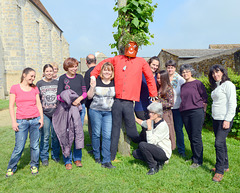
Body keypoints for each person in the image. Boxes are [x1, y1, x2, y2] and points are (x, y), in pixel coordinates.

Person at [91, 41, 158, 161]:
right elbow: (101, 64)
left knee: (131, 128)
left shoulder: (141, 61)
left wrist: (153, 93)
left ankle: (142, 146)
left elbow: (149, 77)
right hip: (116, 101)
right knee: (115, 130)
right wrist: (93, 74)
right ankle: (111, 156)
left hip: (128, 102)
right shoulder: (117, 59)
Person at [6, 67, 43, 177]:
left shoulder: (35, 88)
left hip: (35, 120)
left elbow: (38, 104)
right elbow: (11, 106)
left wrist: (41, 118)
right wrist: (14, 122)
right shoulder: (15, 88)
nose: (33, 78)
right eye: (31, 76)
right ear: (24, 75)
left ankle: (34, 165)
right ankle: (11, 167)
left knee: (35, 146)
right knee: (19, 147)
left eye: (34, 76)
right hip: (21, 121)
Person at [55, 57, 86, 170]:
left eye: (76, 66)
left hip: (79, 108)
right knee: (67, 133)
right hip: (66, 108)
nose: (74, 68)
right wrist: (69, 101)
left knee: (78, 132)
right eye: (72, 66)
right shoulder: (62, 78)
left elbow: (85, 93)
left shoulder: (80, 77)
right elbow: (58, 95)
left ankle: (77, 158)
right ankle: (67, 159)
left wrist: (78, 100)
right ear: (67, 67)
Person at [208, 64, 236, 182]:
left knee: (218, 143)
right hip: (216, 118)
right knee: (222, 143)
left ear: (223, 72)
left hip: (225, 119)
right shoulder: (217, 86)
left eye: (217, 72)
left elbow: (232, 103)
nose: (215, 75)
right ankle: (225, 166)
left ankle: (219, 171)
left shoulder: (228, 85)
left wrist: (227, 119)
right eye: (213, 73)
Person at [88, 62, 116, 169]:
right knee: (96, 134)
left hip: (108, 112)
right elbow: (89, 96)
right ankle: (96, 156)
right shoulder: (97, 81)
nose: (107, 72)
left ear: (112, 72)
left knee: (107, 135)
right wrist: (92, 87)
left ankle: (106, 160)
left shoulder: (114, 82)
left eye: (109, 70)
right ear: (101, 71)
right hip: (95, 111)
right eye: (105, 70)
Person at [179, 64, 208, 168]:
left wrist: (202, 111)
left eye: (187, 71)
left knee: (196, 136)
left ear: (191, 72)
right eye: (183, 72)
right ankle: (194, 156)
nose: (185, 73)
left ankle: (198, 160)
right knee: (191, 136)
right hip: (185, 112)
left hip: (196, 112)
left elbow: (205, 98)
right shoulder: (183, 86)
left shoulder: (197, 83)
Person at [133, 102, 172, 175]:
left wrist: (149, 129)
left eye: (152, 113)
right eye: (149, 112)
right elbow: (142, 123)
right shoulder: (152, 121)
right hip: (154, 149)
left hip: (163, 152)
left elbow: (151, 142)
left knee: (142, 145)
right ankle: (158, 162)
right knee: (135, 153)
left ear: (158, 114)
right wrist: (134, 118)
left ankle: (153, 167)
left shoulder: (162, 126)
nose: (149, 114)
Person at [36, 64, 60, 166]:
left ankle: (55, 155)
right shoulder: (39, 83)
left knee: (55, 135)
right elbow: (37, 99)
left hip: (56, 113)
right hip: (45, 113)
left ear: (53, 72)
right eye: (47, 71)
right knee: (45, 136)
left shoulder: (58, 83)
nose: (49, 73)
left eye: (51, 71)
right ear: (44, 72)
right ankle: (44, 156)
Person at [134, 56, 160, 142]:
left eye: (157, 65)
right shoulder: (141, 75)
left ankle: (140, 142)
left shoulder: (157, 77)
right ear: (149, 64)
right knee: (146, 126)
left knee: (150, 127)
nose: (155, 67)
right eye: (153, 64)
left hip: (153, 107)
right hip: (141, 106)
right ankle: (143, 145)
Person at [166, 60, 186, 157]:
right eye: (168, 67)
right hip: (166, 108)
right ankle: (169, 147)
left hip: (177, 107)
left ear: (175, 68)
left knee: (178, 129)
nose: (170, 69)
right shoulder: (164, 78)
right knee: (167, 128)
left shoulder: (180, 79)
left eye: (172, 67)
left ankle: (181, 149)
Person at [157, 70, 176, 150]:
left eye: (159, 78)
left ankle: (170, 148)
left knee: (168, 131)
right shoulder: (159, 87)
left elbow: (171, 104)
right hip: (159, 113)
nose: (157, 80)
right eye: (157, 78)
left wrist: (158, 103)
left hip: (166, 114)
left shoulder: (168, 88)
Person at [84, 54, 97, 150]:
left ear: (86, 62)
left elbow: (85, 89)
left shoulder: (88, 73)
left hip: (91, 102)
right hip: (102, 102)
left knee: (92, 126)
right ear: (95, 61)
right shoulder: (100, 70)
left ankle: (94, 145)